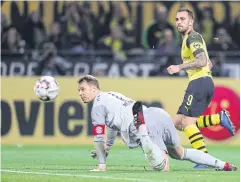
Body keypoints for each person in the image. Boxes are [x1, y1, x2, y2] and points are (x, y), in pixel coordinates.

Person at [77, 75, 237, 172]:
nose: (80, 93)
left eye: (83, 89)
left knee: (162, 168)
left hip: (144, 123)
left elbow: (98, 139)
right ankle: (223, 164)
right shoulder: (112, 94)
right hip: (157, 114)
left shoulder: (97, 107)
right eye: (79, 90)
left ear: (93, 88)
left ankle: (145, 137)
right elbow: (111, 126)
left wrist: (101, 165)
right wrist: (109, 146)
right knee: (181, 153)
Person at [166, 8, 235, 168]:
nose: (179, 22)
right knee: (178, 123)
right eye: (177, 19)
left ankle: (202, 158)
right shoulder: (189, 39)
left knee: (188, 123)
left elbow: (203, 60)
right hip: (200, 82)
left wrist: (179, 67)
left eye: (183, 19)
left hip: (199, 82)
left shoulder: (193, 37)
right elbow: (208, 62)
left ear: (191, 21)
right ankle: (218, 119)